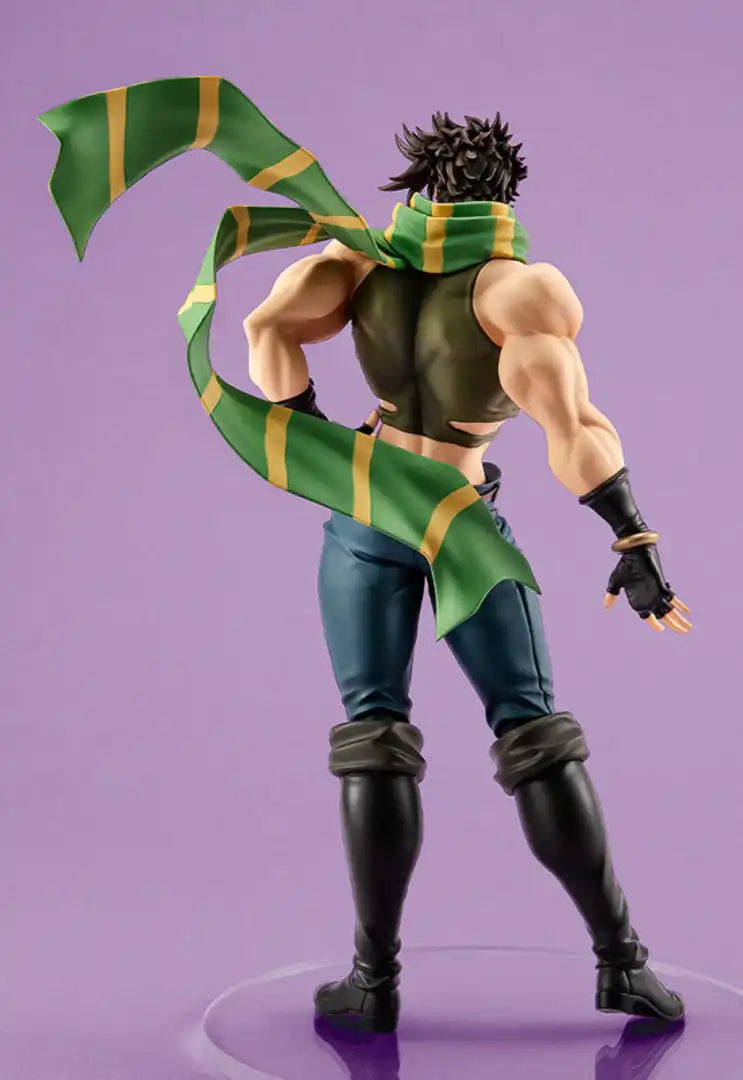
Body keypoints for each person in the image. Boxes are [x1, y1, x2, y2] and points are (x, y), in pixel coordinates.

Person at [243, 112, 690, 1034]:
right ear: (504, 194)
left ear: (418, 187)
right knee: (533, 735)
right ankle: (620, 964)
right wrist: (631, 539)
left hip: (366, 507)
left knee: (372, 733)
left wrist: (316, 440)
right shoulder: (517, 289)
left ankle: (372, 982)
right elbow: (571, 425)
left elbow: (266, 328)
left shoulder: (357, 261)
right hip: (455, 519)